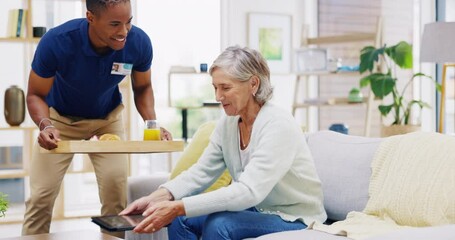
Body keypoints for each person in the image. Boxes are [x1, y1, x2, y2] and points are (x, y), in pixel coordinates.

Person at [120, 46, 327, 240]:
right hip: (256, 211)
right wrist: (159, 196)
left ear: (253, 84)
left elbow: (248, 192)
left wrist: (179, 205)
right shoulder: (228, 123)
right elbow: (201, 172)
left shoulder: (278, 125)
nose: (218, 96)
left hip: (295, 217)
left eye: (225, 88)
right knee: (180, 220)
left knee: (219, 224)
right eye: (215, 87)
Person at [22, 0, 171, 237]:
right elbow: (35, 94)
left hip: (107, 120)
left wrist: (152, 124)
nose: (123, 32)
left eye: (128, 22)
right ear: (91, 17)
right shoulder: (57, 41)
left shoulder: (138, 43)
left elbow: (142, 88)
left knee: (115, 192)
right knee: (41, 195)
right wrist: (45, 125)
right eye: (114, 24)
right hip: (59, 121)